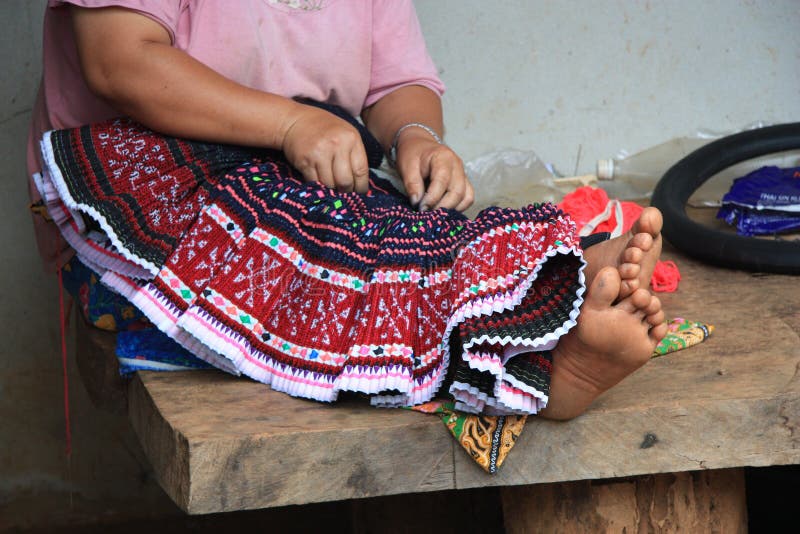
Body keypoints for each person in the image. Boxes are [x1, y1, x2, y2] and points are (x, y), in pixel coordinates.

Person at [28, 0, 667, 420]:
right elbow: (118, 59)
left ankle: (553, 280)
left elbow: (396, 83)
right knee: (327, 290)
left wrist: (417, 135)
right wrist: (289, 124)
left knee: (412, 247)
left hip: (299, 175)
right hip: (149, 180)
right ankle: (546, 371)